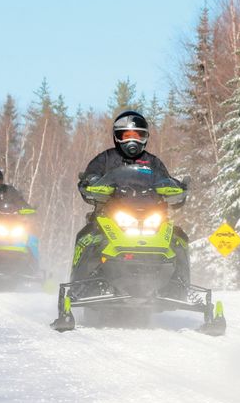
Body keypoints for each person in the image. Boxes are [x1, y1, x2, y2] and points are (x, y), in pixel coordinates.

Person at [71, 110, 188, 282]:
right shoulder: (106, 158)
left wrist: (178, 189)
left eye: (137, 135)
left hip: (150, 214)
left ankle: (179, 285)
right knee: (88, 236)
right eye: (127, 135)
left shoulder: (153, 162)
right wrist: (91, 182)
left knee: (179, 238)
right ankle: (80, 284)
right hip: (111, 214)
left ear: (145, 137)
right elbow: (90, 177)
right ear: (118, 137)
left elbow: (166, 180)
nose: (132, 140)